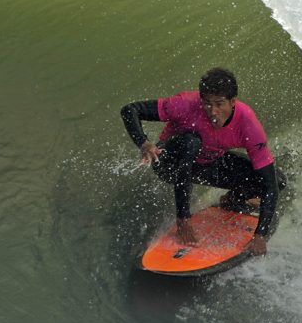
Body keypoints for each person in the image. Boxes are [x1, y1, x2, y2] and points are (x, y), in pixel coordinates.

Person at [120, 67, 281, 256]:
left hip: (206, 164)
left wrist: (260, 235)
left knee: (276, 180)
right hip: (168, 162)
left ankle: (233, 200)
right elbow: (130, 110)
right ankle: (183, 220)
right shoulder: (185, 104)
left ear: (232, 102)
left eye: (219, 104)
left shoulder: (248, 125)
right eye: (207, 104)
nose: (213, 111)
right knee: (192, 142)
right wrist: (144, 143)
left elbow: (270, 186)